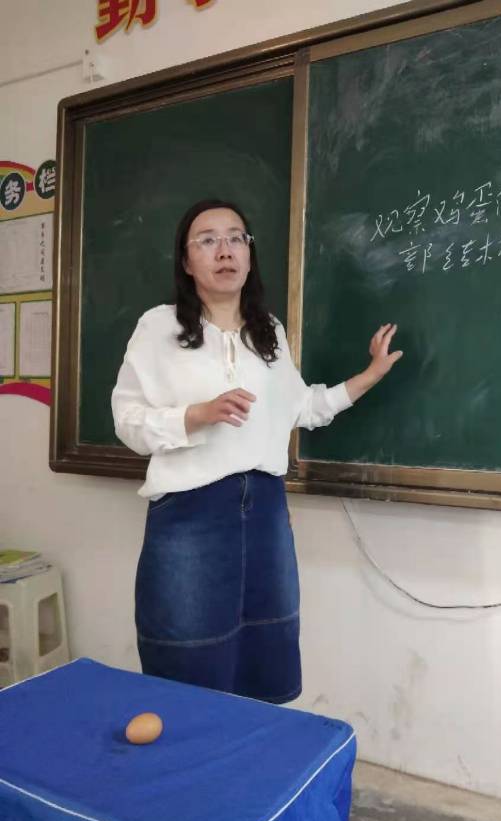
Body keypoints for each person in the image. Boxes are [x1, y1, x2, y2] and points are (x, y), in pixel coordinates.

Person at [112, 198, 402, 703]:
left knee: (264, 659)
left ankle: (249, 754)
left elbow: (302, 407)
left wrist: (369, 376)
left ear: (249, 254)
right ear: (186, 261)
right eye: (207, 240)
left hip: (265, 509)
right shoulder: (158, 328)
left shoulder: (268, 331)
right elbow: (127, 420)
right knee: (186, 665)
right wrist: (195, 415)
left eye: (236, 238)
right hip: (191, 513)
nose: (225, 250)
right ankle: (193, 754)